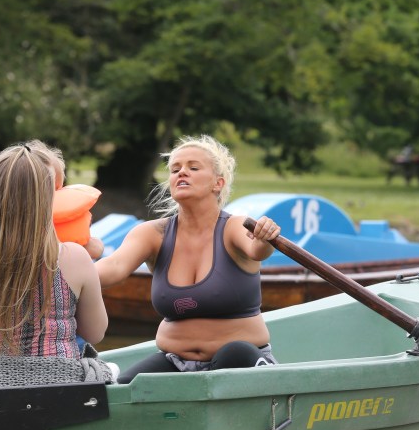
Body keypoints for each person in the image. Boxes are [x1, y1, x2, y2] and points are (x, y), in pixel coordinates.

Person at [96, 134, 281, 384]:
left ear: (217, 183)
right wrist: (65, 274)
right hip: (176, 361)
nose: (182, 173)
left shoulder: (234, 226)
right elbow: (113, 267)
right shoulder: (153, 234)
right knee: (125, 389)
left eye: (193, 168)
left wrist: (263, 238)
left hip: (241, 361)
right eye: (175, 169)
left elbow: (257, 250)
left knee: (233, 353)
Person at [0, 140, 115, 388]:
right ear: (49, 200)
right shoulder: (75, 256)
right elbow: (96, 332)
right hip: (60, 387)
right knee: (110, 371)